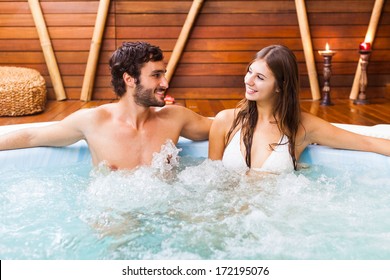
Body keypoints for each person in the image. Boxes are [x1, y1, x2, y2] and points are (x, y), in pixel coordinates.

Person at [0, 41, 212, 170]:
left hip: (166, 212)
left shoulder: (175, 118)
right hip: (115, 216)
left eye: (163, 74)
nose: (165, 83)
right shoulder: (94, 121)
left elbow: (221, 126)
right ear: (130, 79)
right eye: (156, 75)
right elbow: (32, 136)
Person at [209, 44, 390, 174]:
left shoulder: (301, 126)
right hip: (228, 215)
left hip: (272, 219)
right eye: (249, 71)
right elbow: (209, 180)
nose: (248, 80)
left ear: (280, 86)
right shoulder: (225, 121)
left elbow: (367, 143)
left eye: (260, 77)